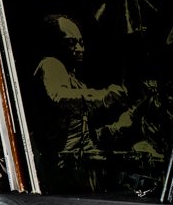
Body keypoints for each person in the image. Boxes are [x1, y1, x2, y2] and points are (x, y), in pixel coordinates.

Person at [31, 13, 130, 191]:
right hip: (62, 170)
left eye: (81, 43)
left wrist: (117, 126)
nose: (79, 49)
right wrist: (103, 96)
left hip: (77, 168)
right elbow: (59, 96)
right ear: (55, 43)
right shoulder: (51, 64)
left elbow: (82, 134)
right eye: (71, 42)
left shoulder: (74, 80)